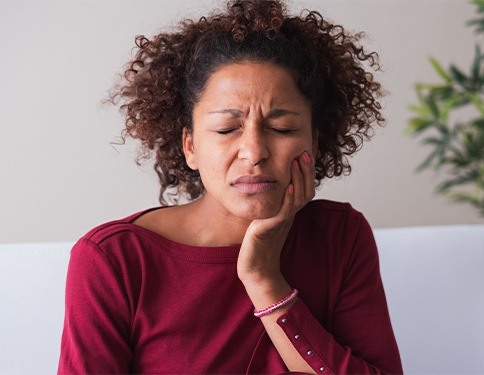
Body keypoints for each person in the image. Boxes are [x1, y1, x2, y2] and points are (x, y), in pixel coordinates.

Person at [58, 0, 403, 373]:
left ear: (314, 143)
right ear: (190, 145)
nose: (253, 152)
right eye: (226, 129)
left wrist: (264, 278)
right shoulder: (114, 261)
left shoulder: (340, 237)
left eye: (282, 128)